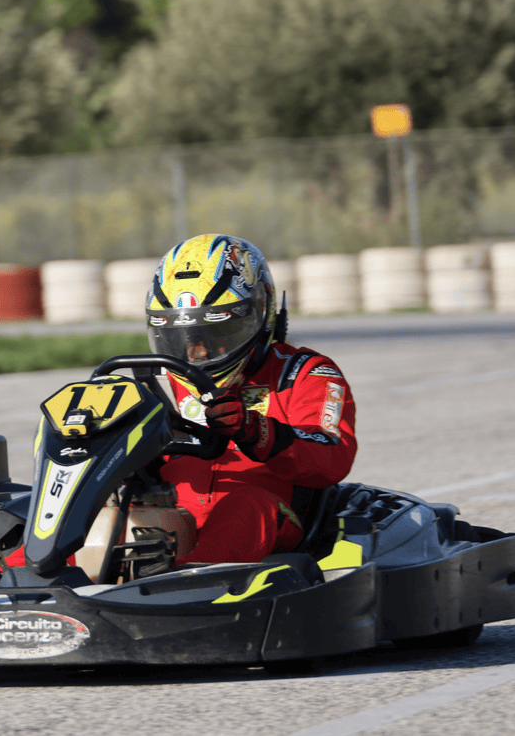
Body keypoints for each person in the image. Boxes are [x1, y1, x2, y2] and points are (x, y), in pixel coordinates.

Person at [145, 234, 357, 564]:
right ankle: (58, 577)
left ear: (259, 314)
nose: (198, 352)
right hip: (169, 520)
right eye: (182, 337)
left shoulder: (304, 373)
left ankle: (186, 582)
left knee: (245, 504)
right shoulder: (155, 381)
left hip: (272, 523)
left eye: (216, 333)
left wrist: (255, 431)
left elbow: (332, 457)